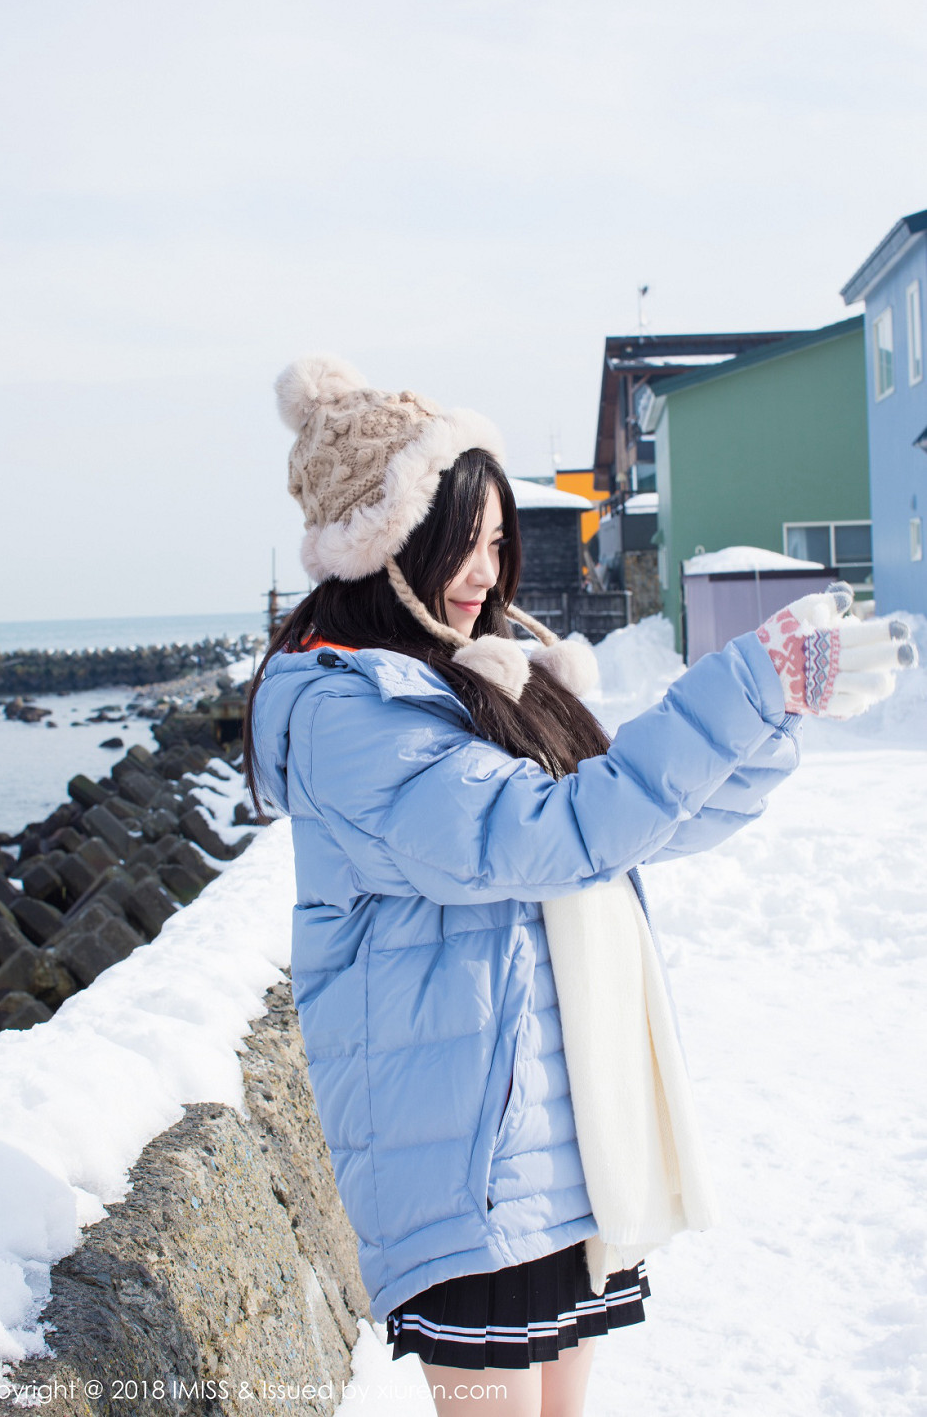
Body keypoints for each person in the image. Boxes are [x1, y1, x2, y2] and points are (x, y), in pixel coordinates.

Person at [244, 355, 914, 1417]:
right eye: (453, 540)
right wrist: (743, 683)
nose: (482, 567)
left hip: (554, 1144)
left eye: (495, 539)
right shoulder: (349, 716)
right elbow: (550, 837)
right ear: (382, 545)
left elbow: (637, 831)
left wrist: (777, 715)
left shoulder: (476, 679)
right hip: (462, 1163)